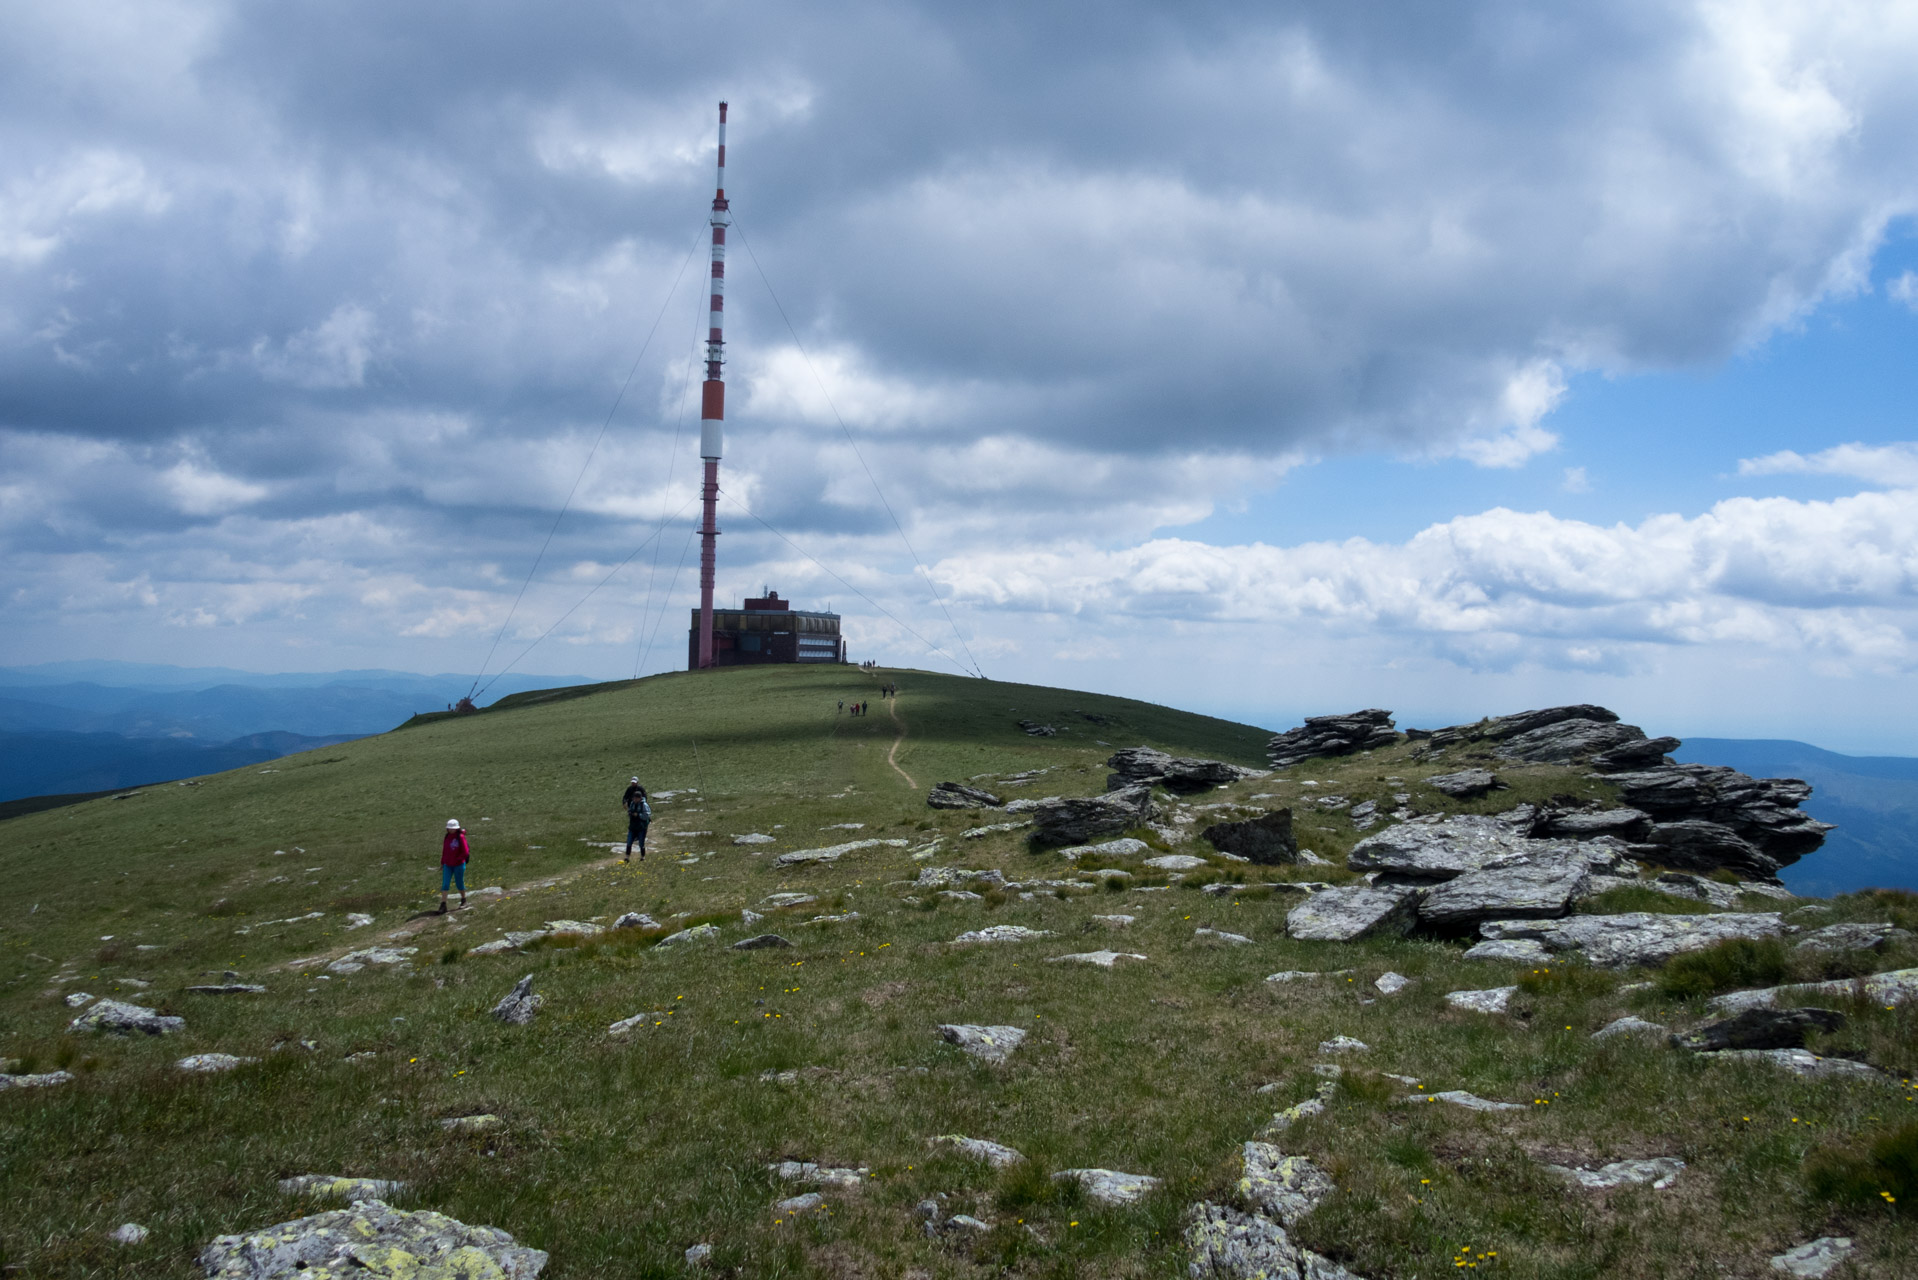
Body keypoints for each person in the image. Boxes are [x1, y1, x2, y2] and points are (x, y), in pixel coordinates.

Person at [439, 819, 469, 913]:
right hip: (448, 865)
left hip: (458, 865)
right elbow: (445, 850)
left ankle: (463, 900)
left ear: (457, 828)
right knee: (445, 884)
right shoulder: (447, 837)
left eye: (453, 829)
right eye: (449, 828)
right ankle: (443, 904)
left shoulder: (460, 837)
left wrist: (457, 859)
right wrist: (443, 862)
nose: (451, 830)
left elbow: (465, 852)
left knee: (459, 882)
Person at [623, 781, 651, 862]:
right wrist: (630, 813)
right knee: (629, 842)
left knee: (641, 843)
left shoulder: (644, 805)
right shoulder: (632, 804)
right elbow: (630, 811)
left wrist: (638, 815)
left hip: (641, 827)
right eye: (633, 798)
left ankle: (642, 856)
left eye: (635, 798)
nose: (634, 799)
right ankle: (627, 857)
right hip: (632, 826)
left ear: (639, 798)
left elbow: (647, 815)